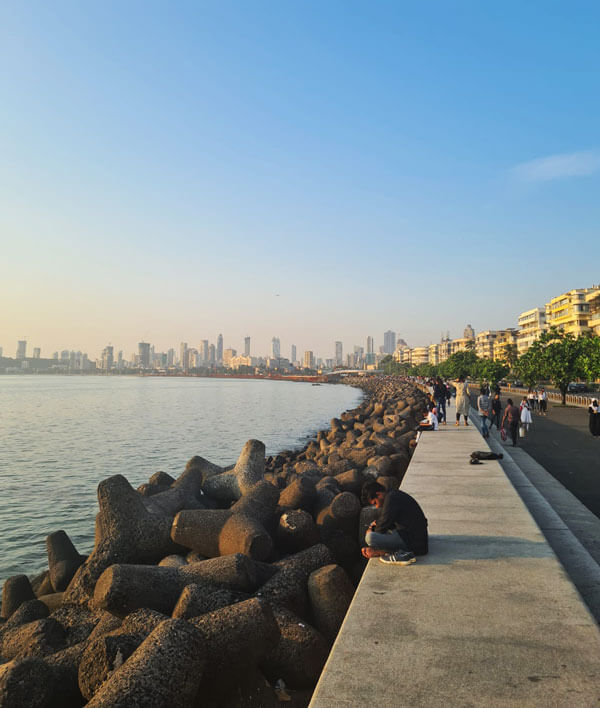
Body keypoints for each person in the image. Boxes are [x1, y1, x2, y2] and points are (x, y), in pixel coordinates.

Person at [361, 481, 428, 565]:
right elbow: (387, 521)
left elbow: (381, 528)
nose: (377, 507)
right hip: (417, 539)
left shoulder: (391, 499)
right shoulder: (393, 494)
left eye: (375, 503)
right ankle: (383, 551)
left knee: (370, 537)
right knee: (380, 532)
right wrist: (377, 524)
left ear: (379, 494)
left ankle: (388, 552)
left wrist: (371, 529)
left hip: (415, 544)